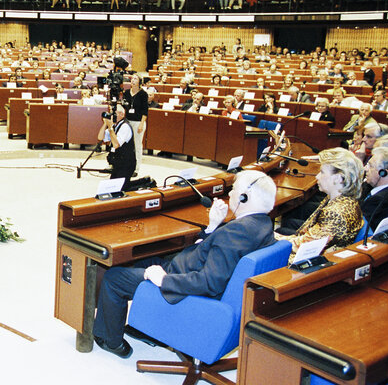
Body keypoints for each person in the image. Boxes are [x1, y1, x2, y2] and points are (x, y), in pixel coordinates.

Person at [93, 170, 277, 358]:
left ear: (245, 197)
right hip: (188, 269)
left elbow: (210, 283)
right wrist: (213, 226)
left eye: (234, 190)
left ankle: (110, 340)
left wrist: (164, 281)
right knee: (142, 261)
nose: (230, 194)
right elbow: (220, 257)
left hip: (185, 287)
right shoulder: (262, 225)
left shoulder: (236, 232)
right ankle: (148, 326)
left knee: (114, 277)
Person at [276, 148, 363, 262]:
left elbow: (303, 246)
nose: (317, 177)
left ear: (338, 178)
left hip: (306, 263)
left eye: (322, 172)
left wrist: (271, 236)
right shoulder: (341, 198)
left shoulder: (336, 213)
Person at [98, 103, 135, 190]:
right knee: (112, 187)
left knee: (119, 189)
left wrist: (110, 128)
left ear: (121, 114)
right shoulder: (115, 125)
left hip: (126, 163)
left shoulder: (125, 126)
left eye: (114, 113)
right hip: (118, 162)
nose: (111, 115)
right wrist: (105, 124)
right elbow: (100, 137)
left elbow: (116, 144)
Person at [122, 75, 148, 176]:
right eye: (132, 78)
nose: (133, 80)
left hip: (138, 122)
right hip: (127, 122)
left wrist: (141, 124)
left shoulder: (143, 94)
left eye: (135, 79)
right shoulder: (127, 92)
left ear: (139, 82)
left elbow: (145, 111)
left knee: (137, 145)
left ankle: (136, 169)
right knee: (126, 145)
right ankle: (127, 165)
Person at [363, 147, 388, 231]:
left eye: (370, 166)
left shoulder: (378, 201)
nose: (365, 169)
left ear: (383, 173)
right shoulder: (373, 190)